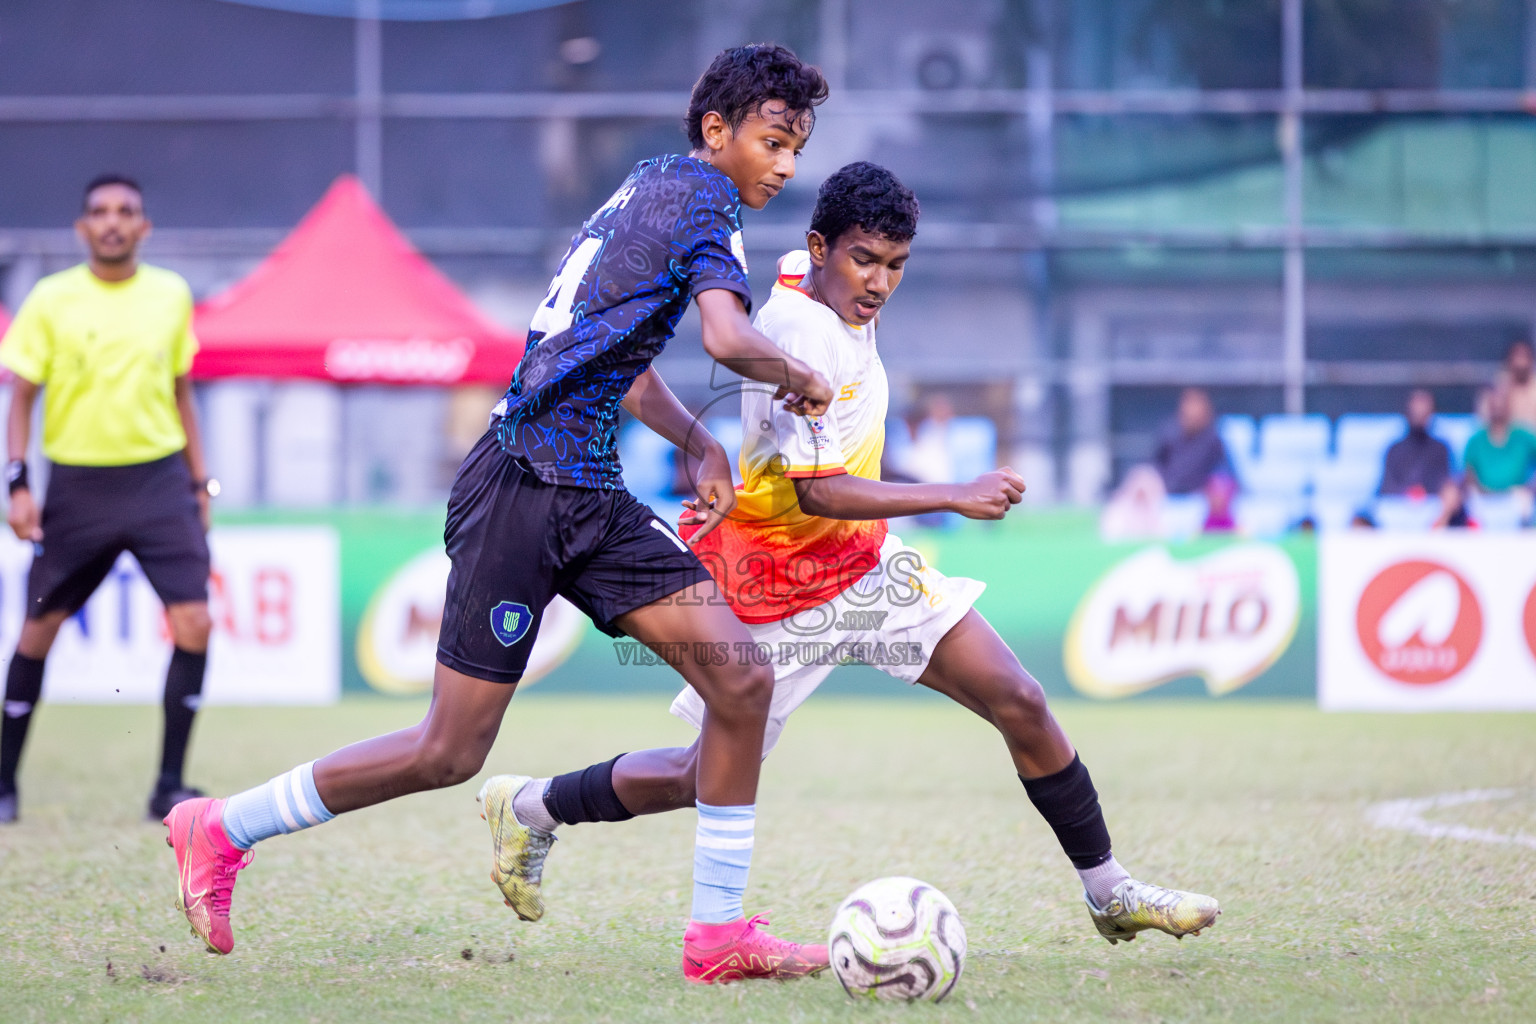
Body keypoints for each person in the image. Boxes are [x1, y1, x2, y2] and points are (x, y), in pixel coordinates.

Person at [164, 44, 838, 983]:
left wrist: (694, 439)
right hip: (520, 484)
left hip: (589, 494)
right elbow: (728, 336)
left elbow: (621, 356)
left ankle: (718, 939)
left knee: (742, 682)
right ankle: (218, 827)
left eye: (797, 149)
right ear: (717, 133)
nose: (786, 166)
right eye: (773, 142)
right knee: (449, 750)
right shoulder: (700, 199)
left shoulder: (648, 186)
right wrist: (801, 373)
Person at [479, 163, 1220, 950]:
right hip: (778, 583)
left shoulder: (820, 278)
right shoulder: (795, 336)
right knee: (699, 776)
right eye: (865, 260)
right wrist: (953, 493)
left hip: (866, 567)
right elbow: (820, 496)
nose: (879, 282)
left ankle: (1110, 891)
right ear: (821, 246)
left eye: (896, 265)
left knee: (1020, 699)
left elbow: (834, 398)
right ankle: (529, 808)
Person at [0, 175, 217, 826]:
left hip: (157, 484)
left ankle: (169, 786)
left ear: (144, 227)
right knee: (38, 631)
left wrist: (200, 482)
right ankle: (4, 782)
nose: (113, 222)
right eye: (100, 212)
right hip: (78, 487)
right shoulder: (50, 299)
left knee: (196, 624)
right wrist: (17, 483)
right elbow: (22, 398)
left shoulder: (171, 295)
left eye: (127, 212)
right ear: (83, 228)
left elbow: (183, 393)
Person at [1153, 388, 1231, 496]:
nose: (1190, 412)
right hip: (1167, 495)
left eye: (1195, 406)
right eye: (1187, 406)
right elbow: (1156, 464)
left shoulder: (1214, 440)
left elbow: (1221, 471)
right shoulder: (1169, 434)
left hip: (1201, 498)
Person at [1464, 385, 1536, 496]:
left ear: (1509, 407)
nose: (1498, 408)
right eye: (1495, 406)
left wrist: (1530, 488)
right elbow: (1469, 473)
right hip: (1484, 500)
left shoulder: (1524, 437)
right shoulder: (1476, 441)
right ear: (1489, 407)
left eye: (1502, 405)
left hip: (1518, 500)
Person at [1379, 389, 1452, 497]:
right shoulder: (1395, 450)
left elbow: (1444, 485)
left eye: (1424, 412)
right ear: (1408, 412)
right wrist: (1409, 494)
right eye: (1416, 412)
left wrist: (1422, 494)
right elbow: (1387, 487)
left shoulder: (1440, 450)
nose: (1420, 415)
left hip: (1434, 507)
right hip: (1398, 508)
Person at [1496, 339, 1536, 430]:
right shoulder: (1499, 388)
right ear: (1509, 360)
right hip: (1509, 442)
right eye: (1517, 356)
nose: (1521, 363)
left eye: (1524, 356)